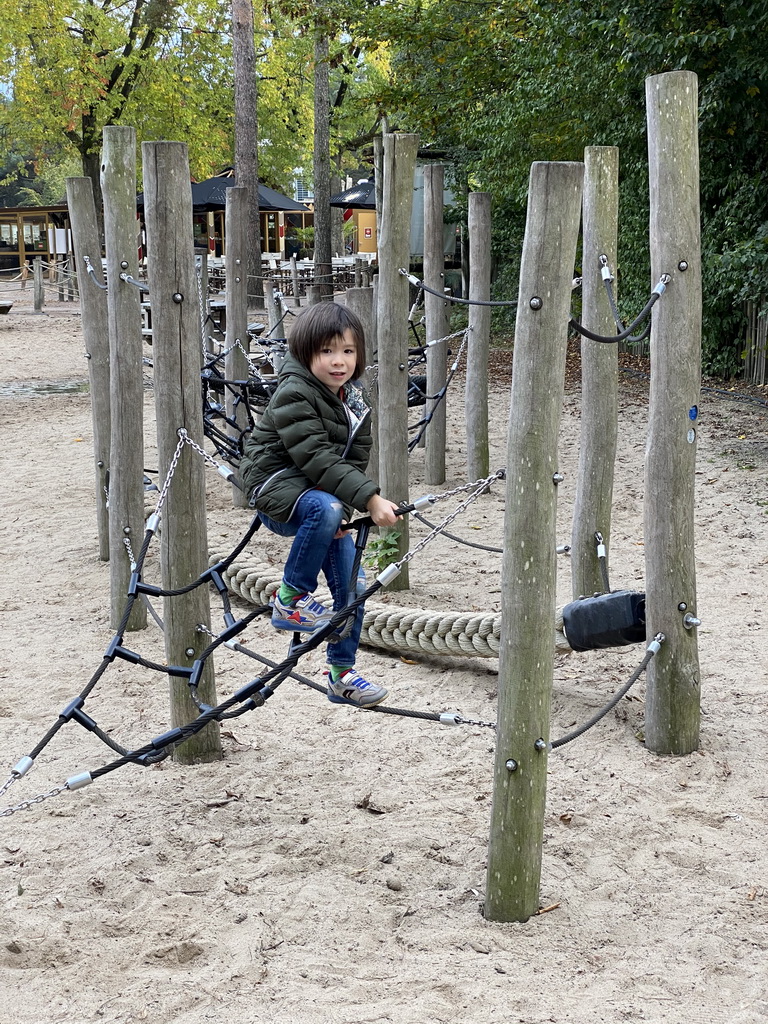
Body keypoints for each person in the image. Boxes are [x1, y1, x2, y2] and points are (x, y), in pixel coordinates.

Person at [239, 303, 399, 708]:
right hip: (275, 485)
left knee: (353, 584)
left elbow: (351, 461)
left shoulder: (356, 399)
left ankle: (341, 674)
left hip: (322, 497)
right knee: (325, 510)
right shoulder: (294, 392)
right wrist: (369, 498)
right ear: (306, 353)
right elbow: (316, 457)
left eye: (347, 351)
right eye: (327, 351)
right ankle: (290, 597)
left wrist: (344, 512)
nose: (338, 361)